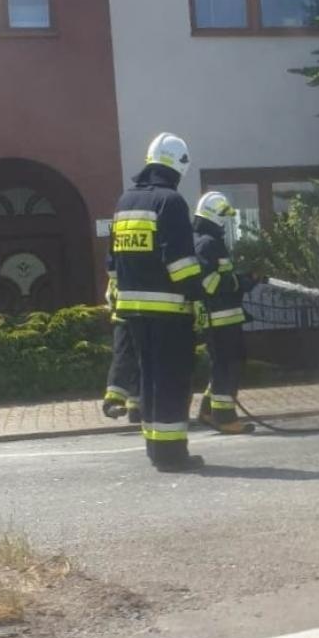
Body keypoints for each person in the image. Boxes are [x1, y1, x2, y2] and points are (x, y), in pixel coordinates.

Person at [109, 133, 203, 471]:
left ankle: (155, 448)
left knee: (149, 380)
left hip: (133, 313)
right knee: (171, 382)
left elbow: (113, 262)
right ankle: (171, 455)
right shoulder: (170, 201)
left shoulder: (125, 201)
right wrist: (200, 294)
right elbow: (180, 261)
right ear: (179, 165)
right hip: (168, 312)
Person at [192, 192, 257, 434]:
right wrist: (240, 283)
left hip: (225, 317)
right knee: (227, 365)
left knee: (227, 364)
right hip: (219, 319)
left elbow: (222, 277)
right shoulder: (207, 244)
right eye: (224, 216)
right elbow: (209, 283)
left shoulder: (210, 242)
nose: (226, 221)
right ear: (214, 216)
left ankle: (209, 411)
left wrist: (241, 279)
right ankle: (224, 417)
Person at [100, 274, 142, 424]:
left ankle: (136, 408)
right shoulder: (123, 266)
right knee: (124, 358)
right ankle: (112, 402)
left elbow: (110, 294)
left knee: (140, 361)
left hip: (131, 315)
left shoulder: (121, 264)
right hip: (127, 317)